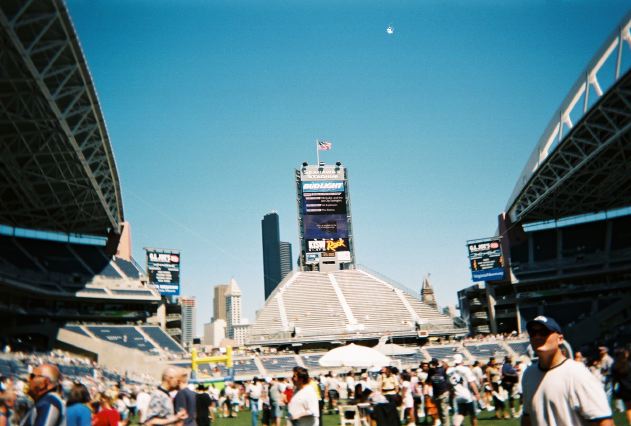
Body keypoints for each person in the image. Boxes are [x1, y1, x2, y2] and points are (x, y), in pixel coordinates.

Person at [520, 315, 613, 426]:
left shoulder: (578, 373)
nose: (537, 336)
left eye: (544, 332)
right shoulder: (529, 374)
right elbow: (527, 416)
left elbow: (604, 421)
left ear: (560, 339)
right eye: (533, 333)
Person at [448, 354, 480, 426]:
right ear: (461, 360)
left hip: (457, 395)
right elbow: (472, 383)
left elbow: (449, 385)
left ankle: (456, 424)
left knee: (461, 413)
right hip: (467, 395)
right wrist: (477, 393)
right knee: (473, 415)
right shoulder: (465, 369)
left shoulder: (449, 371)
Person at [427, 358, 450, 426]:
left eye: (433, 364)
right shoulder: (430, 372)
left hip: (443, 393)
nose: (432, 365)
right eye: (432, 364)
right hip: (436, 394)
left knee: (444, 412)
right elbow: (428, 381)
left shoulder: (442, 370)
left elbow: (446, 379)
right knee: (440, 412)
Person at [612, 347, 631, 425]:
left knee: (629, 409)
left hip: (624, 391)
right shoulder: (629, 364)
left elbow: (615, 380)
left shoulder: (615, 366)